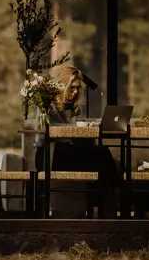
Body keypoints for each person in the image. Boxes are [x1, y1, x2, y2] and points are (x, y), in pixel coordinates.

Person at [42, 65, 122, 218]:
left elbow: (75, 127)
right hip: (57, 155)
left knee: (102, 159)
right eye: (72, 87)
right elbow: (50, 128)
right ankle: (114, 199)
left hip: (72, 152)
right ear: (62, 85)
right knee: (103, 156)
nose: (76, 91)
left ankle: (106, 203)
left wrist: (88, 127)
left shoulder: (71, 107)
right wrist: (77, 128)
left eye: (78, 88)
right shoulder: (48, 105)